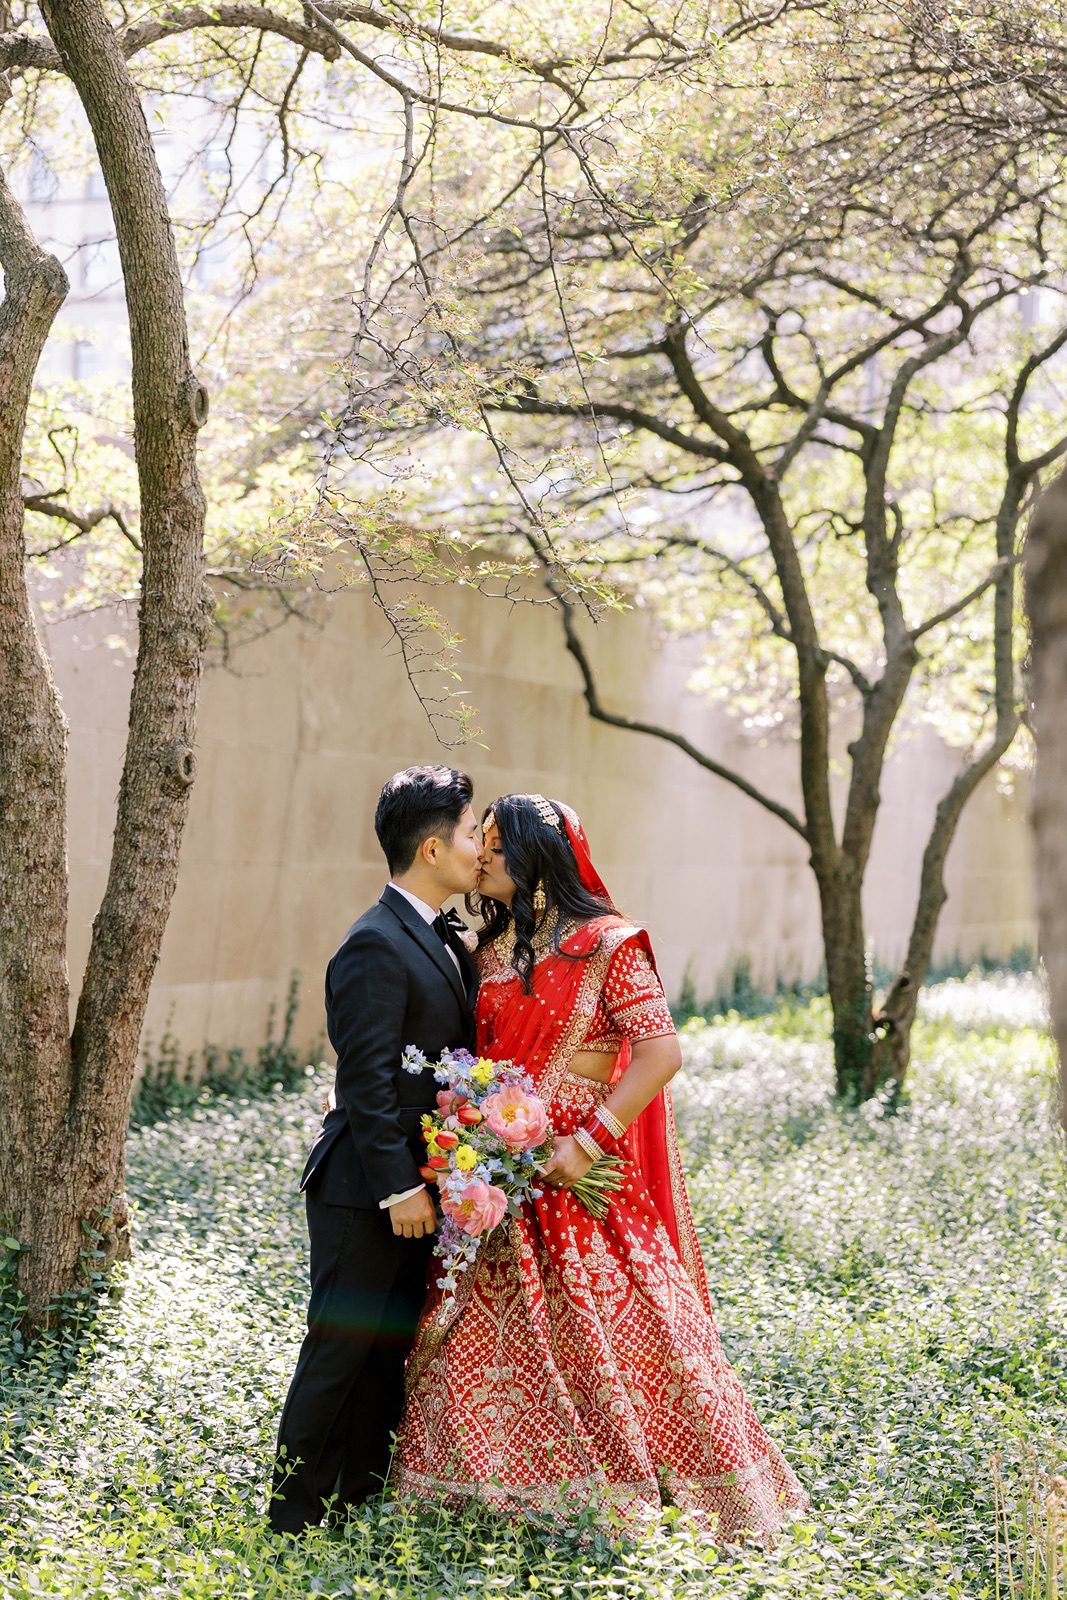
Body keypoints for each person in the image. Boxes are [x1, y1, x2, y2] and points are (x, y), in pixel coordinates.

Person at [392, 793, 808, 1543]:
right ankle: (487, 1498)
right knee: (480, 1340)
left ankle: (656, 1489)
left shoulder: (611, 944)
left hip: (580, 1184)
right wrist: (487, 1146)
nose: (479, 855)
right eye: (474, 840)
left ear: (533, 855)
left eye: (492, 843)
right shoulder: (487, 952)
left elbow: (660, 1053)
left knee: (620, 1327)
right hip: (501, 1189)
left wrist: (580, 1147)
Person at [269, 765, 482, 1535]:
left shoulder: (438, 937)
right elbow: (362, 1078)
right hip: (366, 1189)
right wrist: (401, 1190)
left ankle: (354, 1506)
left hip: (415, 1187)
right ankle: (290, 1518)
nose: (478, 845)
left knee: (385, 1356)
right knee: (338, 1348)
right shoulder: (373, 943)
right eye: (468, 832)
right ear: (430, 848)